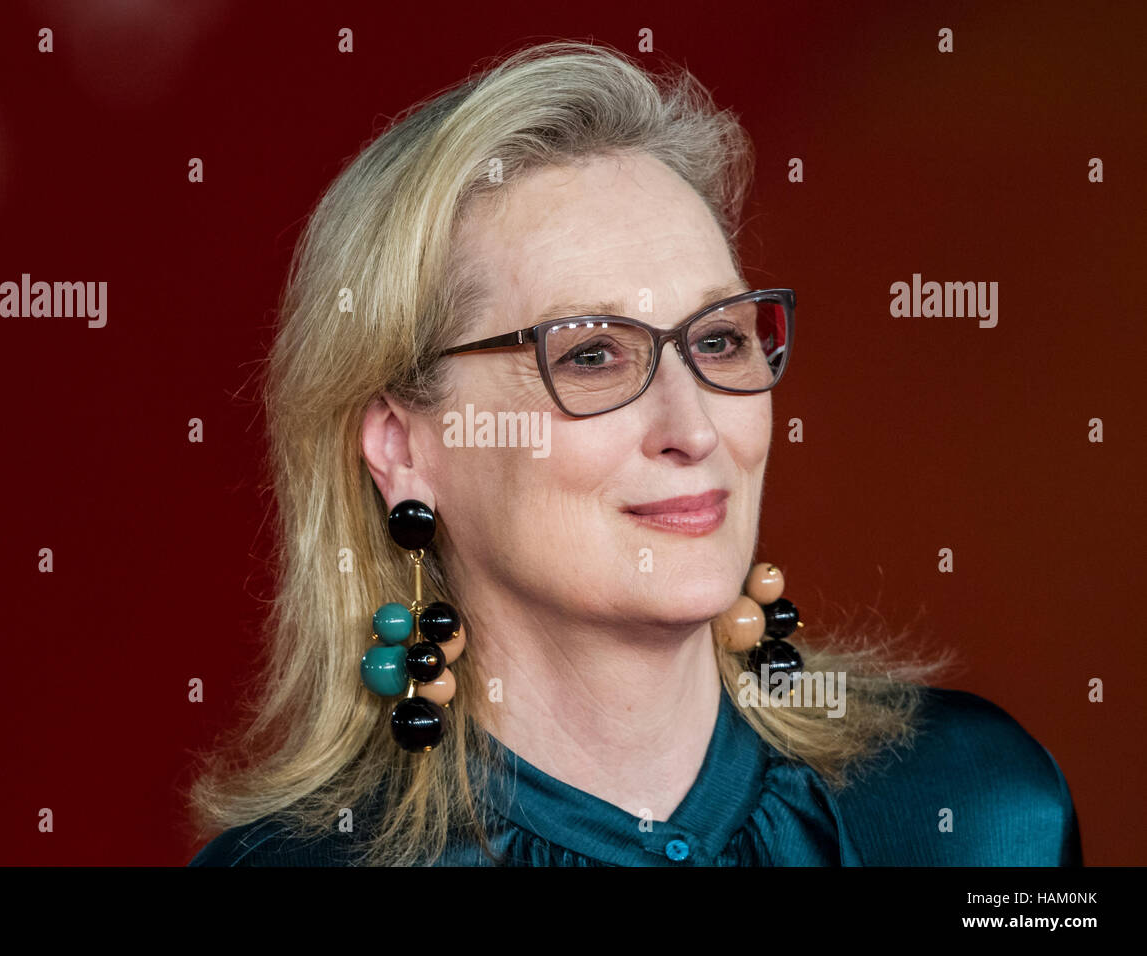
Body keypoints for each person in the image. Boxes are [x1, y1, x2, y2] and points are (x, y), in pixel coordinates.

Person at [186, 40, 1080, 867]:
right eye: (590, 354)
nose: (691, 428)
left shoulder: (986, 814)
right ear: (404, 448)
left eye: (721, 339)